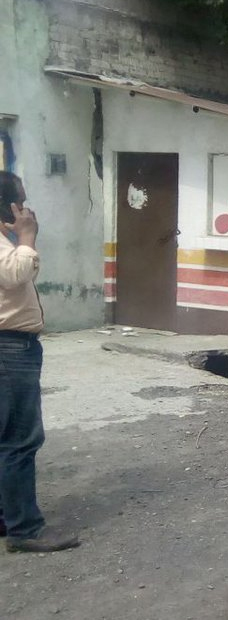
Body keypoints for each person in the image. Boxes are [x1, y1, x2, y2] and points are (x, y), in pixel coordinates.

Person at [0, 171, 79, 553]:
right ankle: (25, 530)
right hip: (9, 348)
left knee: (6, 439)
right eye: (22, 201)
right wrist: (27, 237)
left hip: (11, 346)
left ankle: (7, 516)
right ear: (8, 205)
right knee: (20, 440)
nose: (27, 209)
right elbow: (14, 274)